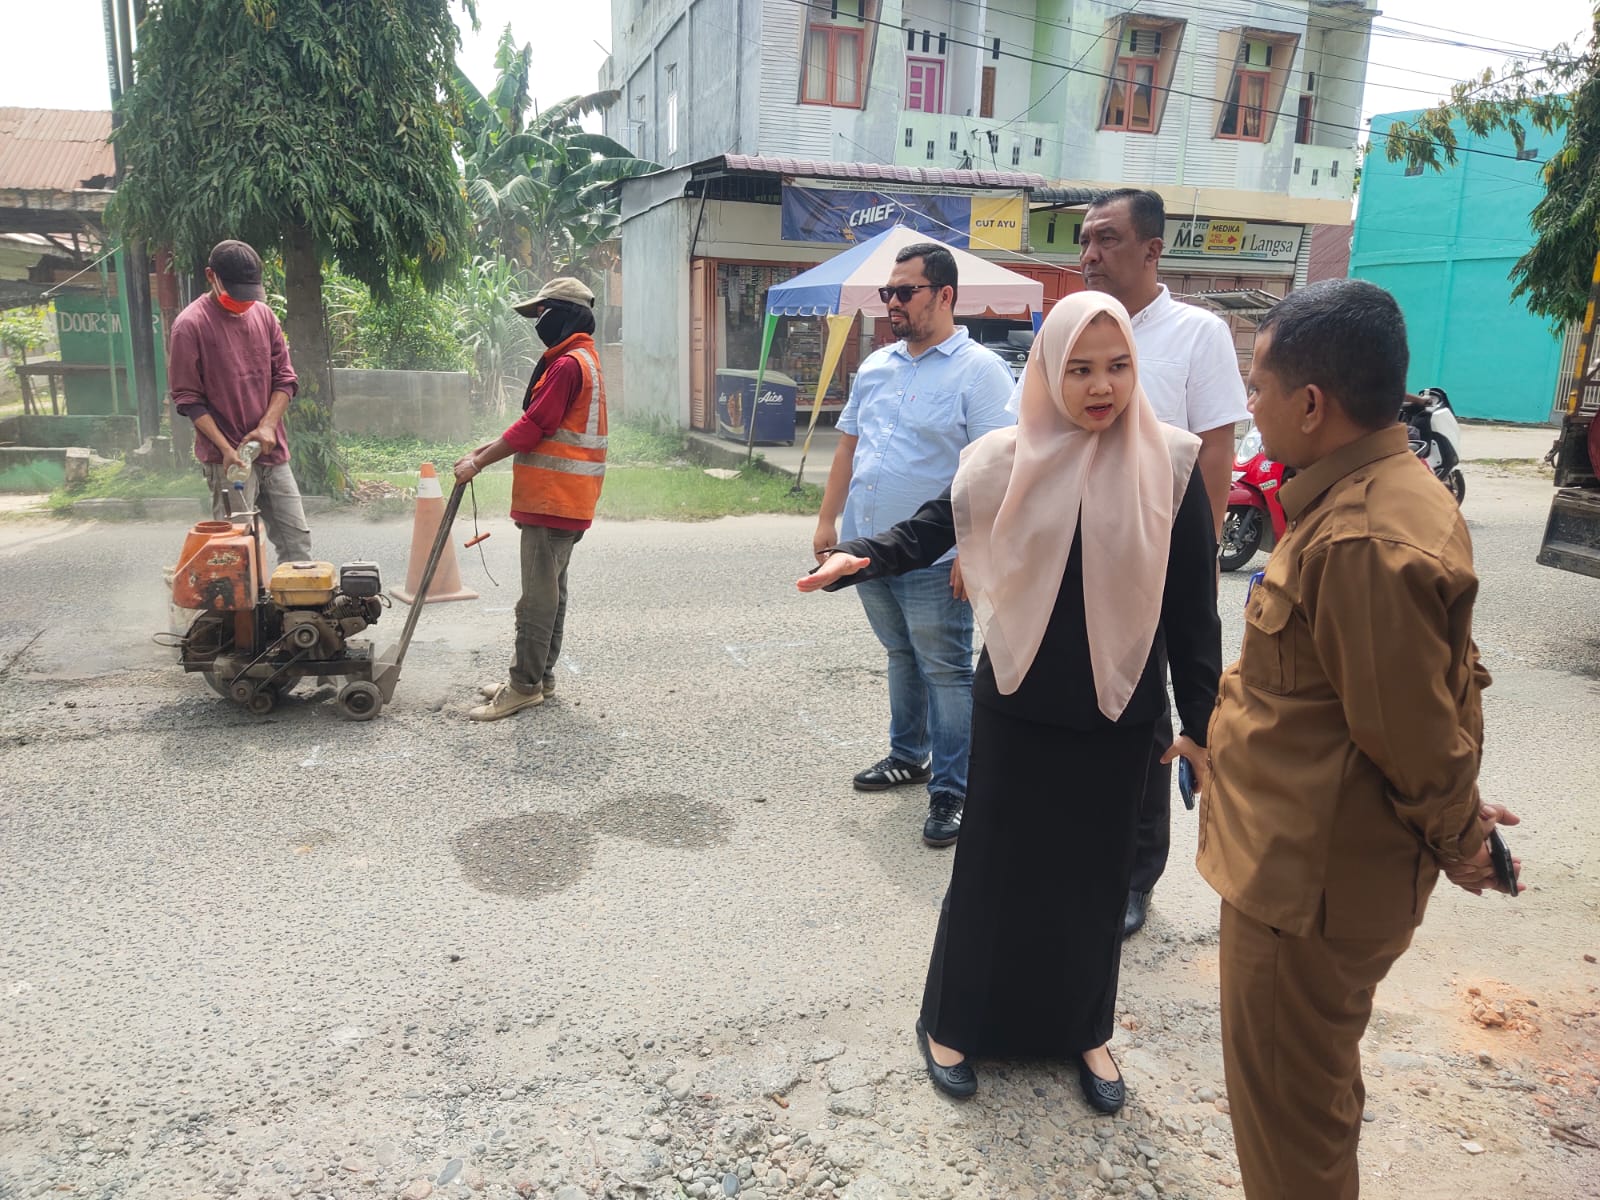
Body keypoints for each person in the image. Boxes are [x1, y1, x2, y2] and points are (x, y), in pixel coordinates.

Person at [800, 292, 1221, 1109]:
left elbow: (1192, 610)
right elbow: (932, 526)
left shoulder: (1170, 462)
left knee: (1096, 879)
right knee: (995, 869)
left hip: (1119, 707)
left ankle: (1085, 1031)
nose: (1102, 386)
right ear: (1047, 371)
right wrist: (861, 555)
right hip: (1019, 697)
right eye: (1081, 368)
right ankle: (954, 1023)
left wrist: (1202, 725)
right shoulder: (1004, 457)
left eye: (1119, 366)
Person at [1200, 278, 1524, 1198]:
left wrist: (1460, 836)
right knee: (1314, 1091)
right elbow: (1381, 697)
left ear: (1311, 403)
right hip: (1325, 859)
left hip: (1305, 886)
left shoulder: (1363, 536)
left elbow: (1412, 733)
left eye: (1257, 389)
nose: (1250, 409)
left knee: (1292, 1129)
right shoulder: (1385, 494)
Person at [1073, 188, 1251, 939]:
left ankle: (1136, 874)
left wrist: (1200, 556)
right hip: (1078, 563)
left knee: (1147, 723)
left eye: (1106, 239)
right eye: (1084, 240)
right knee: (1081, 713)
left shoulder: (1194, 333)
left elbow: (1215, 448)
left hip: (1158, 563)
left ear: (1152, 250)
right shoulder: (1076, 327)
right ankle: (1076, 851)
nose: (1088, 254)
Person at [813, 241, 1016, 848]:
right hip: (867, 547)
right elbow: (847, 447)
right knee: (901, 656)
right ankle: (909, 754)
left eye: (905, 291)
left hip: (938, 557)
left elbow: (994, 469)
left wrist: (973, 554)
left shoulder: (979, 371)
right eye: (888, 293)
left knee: (946, 671)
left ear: (945, 295)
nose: (892, 303)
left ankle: (953, 787)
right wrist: (828, 523)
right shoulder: (876, 366)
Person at [453, 277, 606, 722]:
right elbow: (536, 425)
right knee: (552, 592)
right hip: (566, 499)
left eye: (542, 313)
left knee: (537, 599)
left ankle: (523, 686)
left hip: (554, 500)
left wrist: (479, 463)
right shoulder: (581, 359)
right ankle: (541, 678)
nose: (538, 322)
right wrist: (481, 452)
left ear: (563, 314)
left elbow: (534, 427)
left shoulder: (567, 366)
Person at [169, 239, 311, 563]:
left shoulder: (264, 316)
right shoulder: (190, 326)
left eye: (249, 294)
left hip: (271, 451)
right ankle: (242, 615)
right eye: (235, 293)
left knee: (297, 540)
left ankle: (295, 612)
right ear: (211, 276)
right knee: (236, 551)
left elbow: (285, 379)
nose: (244, 302)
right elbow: (188, 399)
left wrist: (267, 426)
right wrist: (227, 450)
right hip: (227, 460)